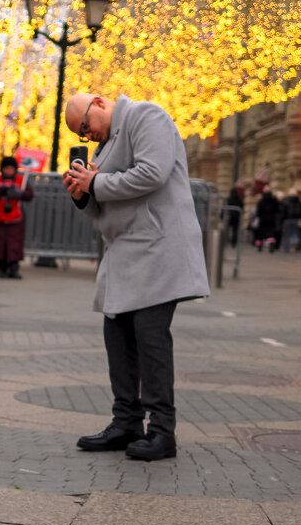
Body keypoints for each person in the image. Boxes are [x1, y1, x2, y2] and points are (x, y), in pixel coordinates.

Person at [62, 93, 209, 461]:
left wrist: (95, 183)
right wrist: (82, 193)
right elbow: (103, 201)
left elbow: (151, 174)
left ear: (98, 103)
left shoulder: (147, 117)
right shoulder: (107, 144)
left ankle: (162, 430)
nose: (87, 136)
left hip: (158, 249)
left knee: (150, 339)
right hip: (125, 254)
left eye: (85, 126)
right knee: (118, 336)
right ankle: (126, 421)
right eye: (81, 133)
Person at [0, 155, 35, 278]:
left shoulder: (21, 181)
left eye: (11, 168)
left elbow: (29, 195)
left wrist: (18, 193)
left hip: (15, 218)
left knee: (14, 244)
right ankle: (2, 267)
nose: (9, 171)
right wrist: (0, 190)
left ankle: (13, 268)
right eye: (7, 168)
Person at [254, 184, 280, 252]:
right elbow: (277, 209)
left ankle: (259, 245)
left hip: (262, 219)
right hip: (271, 219)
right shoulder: (274, 200)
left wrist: (258, 216)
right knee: (271, 233)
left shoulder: (261, 200)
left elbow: (258, 211)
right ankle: (271, 243)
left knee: (260, 234)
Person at [281, 187, 301, 252]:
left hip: (287, 219)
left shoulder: (285, 201)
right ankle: (297, 241)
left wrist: (282, 220)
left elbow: (283, 211)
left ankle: (286, 247)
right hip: (296, 219)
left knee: (286, 234)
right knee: (295, 232)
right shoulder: (298, 201)